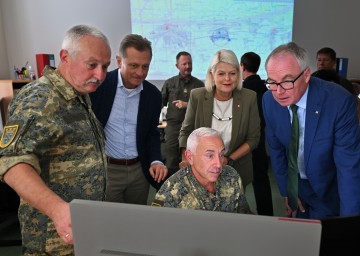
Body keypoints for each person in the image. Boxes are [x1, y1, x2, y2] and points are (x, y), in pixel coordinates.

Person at [0, 24, 111, 255]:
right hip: (51, 241)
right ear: (65, 57)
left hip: (79, 233)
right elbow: (11, 163)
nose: (100, 75)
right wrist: (58, 210)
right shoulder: (39, 98)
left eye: (105, 67)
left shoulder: (78, 94)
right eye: (92, 65)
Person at [262, 42, 360, 219]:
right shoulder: (269, 100)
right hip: (298, 188)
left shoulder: (338, 101)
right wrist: (287, 190)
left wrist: (349, 224)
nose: (279, 91)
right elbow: (276, 150)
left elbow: (349, 167)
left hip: (330, 189)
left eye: (287, 81)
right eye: (272, 82)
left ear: (306, 75)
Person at [90, 34, 168, 205]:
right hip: (108, 170)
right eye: (134, 65)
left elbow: (152, 133)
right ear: (119, 62)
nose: (140, 72)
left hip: (139, 171)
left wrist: (156, 160)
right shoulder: (99, 86)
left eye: (145, 66)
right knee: (110, 222)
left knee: (136, 221)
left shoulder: (153, 95)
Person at [179, 49, 260, 191]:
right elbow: (186, 132)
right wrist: (186, 159)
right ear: (212, 75)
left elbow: (253, 138)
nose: (227, 79)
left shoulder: (249, 98)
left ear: (239, 74)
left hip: (237, 170)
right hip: (201, 171)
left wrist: (228, 159)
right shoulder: (197, 96)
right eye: (221, 73)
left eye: (232, 73)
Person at [153, 127, 251, 213]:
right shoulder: (169, 193)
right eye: (210, 156)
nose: (219, 164)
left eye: (221, 155)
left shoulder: (231, 175)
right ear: (190, 157)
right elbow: (156, 229)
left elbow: (243, 212)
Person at [240, 52, 273, 216]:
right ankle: (266, 216)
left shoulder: (241, 91)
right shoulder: (267, 90)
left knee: (237, 182)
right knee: (262, 180)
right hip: (260, 142)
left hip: (241, 144)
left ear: (242, 67)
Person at [161, 51, 204, 176]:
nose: (187, 66)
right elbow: (161, 107)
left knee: (193, 160)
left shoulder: (199, 85)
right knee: (171, 161)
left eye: (189, 63)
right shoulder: (169, 83)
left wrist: (186, 104)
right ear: (177, 66)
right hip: (172, 128)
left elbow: (203, 107)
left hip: (193, 127)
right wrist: (162, 128)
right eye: (184, 63)